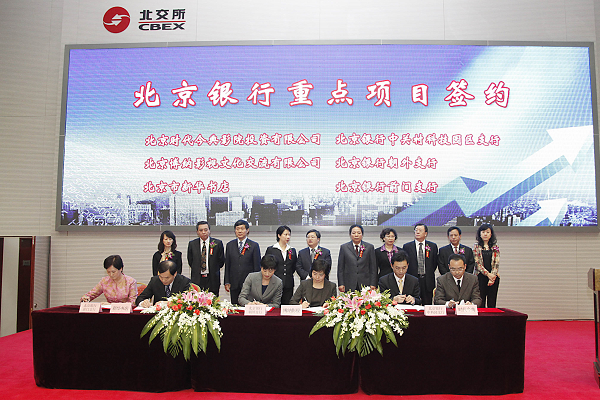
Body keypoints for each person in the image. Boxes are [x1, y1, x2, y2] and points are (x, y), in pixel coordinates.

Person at [224, 219, 261, 305]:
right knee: (235, 307)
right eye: (237, 229)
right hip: (234, 283)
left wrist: (256, 283)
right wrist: (227, 281)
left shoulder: (254, 245)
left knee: (248, 307)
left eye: (242, 228)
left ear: (247, 230)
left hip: (249, 284)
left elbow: (257, 266)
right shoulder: (230, 245)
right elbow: (227, 264)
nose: (240, 231)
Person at [402, 223, 439, 305]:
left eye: (420, 230)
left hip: (427, 280)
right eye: (416, 230)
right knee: (412, 303)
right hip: (412, 279)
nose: (417, 232)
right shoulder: (407, 246)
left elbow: (434, 263)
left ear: (425, 233)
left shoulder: (432, 246)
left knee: (427, 304)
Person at [265, 225, 301, 305]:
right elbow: (267, 265)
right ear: (279, 235)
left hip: (288, 283)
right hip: (274, 282)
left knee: (287, 305)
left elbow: (294, 266)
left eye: (289, 235)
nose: (288, 237)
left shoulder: (292, 250)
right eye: (285, 234)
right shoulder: (271, 249)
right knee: (274, 304)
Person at [187, 221, 225, 296]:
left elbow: (221, 261)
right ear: (197, 232)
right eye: (201, 230)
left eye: (206, 230)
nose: (203, 232)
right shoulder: (192, 244)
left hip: (212, 279)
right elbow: (190, 261)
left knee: (213, 301)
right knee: (197, 300)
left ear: (209, 231)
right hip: (197, 279)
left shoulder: (217, 243)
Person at [337, 224, 377, 293]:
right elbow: (340, 268)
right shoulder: (344, 247)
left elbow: (373, 267)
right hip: (349, 283)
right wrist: (341, 283)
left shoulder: (369, 247)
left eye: (358, 233)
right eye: (353, 233)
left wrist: (373, 283)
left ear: (362, 234)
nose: (356, 235)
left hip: (365, 283)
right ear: (350, 234)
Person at [473, 223, 500, 307]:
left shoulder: (495, 247)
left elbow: (496, 263)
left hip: (493, 277)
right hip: (480, 276)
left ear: (491, 234)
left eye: (488, 232)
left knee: (492, 302)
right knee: (481, 301)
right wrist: (488, 274)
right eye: (483, 232)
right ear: (480, 234)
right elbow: (477, 263)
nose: (485, 234)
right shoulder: (476, 246)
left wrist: (492, 276)